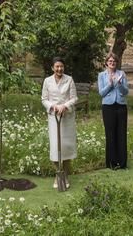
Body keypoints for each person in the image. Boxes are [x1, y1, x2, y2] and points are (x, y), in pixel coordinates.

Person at [41, 57, 78, 188]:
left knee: (66, 148)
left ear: (64, 67)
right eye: (57, 66)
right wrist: (53, 106)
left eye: (61, 66)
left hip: (67, 118)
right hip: (54, 118)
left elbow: (74, 98)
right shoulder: (47, 81)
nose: (59, 69)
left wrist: (65, 106)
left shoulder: (69, 80)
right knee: (56, 148)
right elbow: (44, 99)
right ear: (52, 68)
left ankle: (65, 176)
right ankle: (58, 176)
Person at [98, 51, 129, 170]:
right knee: (110, 135)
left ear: (117, 63)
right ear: (106, 63)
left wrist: (120, 84)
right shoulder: (102, 75)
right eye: (110, 61)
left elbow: (126, 92)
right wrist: (110, 84)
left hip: (121, 106)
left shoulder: (122, 73)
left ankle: (122, 163)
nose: (112, 63)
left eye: (114, 61)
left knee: (121, 134)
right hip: (108, 107)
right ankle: (111, 163)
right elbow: (102, 93)